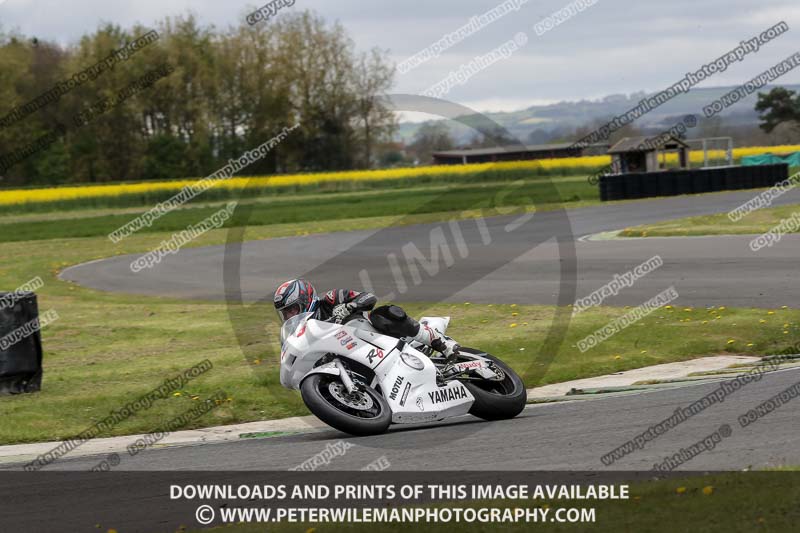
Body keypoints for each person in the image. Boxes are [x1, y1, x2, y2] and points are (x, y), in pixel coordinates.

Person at [273, 278, 460, 360]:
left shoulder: (331, 298)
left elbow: (369, 297)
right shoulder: (303, 333)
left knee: (382, 314)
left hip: (373, 335)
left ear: (306, 298)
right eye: (286, 313)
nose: (290, 316)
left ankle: (440, 342)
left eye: (292, 309)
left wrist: (348, 307)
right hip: (353, 355)